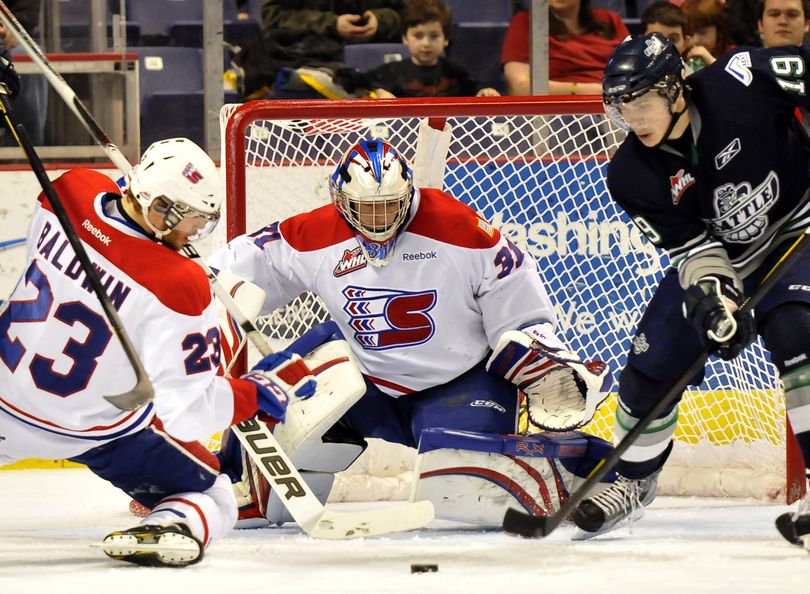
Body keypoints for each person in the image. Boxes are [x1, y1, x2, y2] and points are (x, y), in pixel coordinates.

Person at [208, 138, 616, 527]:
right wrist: (197, 286)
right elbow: (236, 267)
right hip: (364, 382)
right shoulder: (313, 233)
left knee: (465, 487)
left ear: (407, 197)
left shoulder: (459, 227)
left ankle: (581, 466)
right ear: (340, 202)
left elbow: (516, 299)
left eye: (389, 207)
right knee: (275, 392)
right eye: (365, 209)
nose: (378, 220)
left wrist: (538, 348)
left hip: (459, 382)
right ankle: (226, 481)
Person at [0, 130, 316, 564]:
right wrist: (256, 392)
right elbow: (185, 413)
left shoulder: (70, 192)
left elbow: (106, 212)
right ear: (159, 207)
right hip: (90, 430)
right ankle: (172, 525)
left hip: (5, 399)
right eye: (190, 218)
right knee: (215, 490)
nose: (197, 232)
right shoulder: (179, 285)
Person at [571, 33, 810, 551]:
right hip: (731, 257)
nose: (632, 118)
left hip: (799, 224)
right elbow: (695, 250)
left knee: (797, 328)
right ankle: (635, 480)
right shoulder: (630, 173)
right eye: (621, 106)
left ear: (675, 88)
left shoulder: (742, 77)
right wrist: (716, 300)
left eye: (641, 102)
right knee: (649, 366)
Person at [240, 0, 405, 99]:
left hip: (376, 59)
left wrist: (380, 20)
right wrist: (331, 24)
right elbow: (273, 15)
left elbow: (408, 13)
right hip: (305, 56)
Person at [366, 0, 500, 98]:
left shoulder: (454, 71)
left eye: (434, 36)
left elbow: (476, 87)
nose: (426, 43)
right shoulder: (391, 71)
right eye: (418, 36)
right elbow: (362, 85)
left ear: (446, 38)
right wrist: (378, 92)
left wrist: (485, 92)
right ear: (405, 38)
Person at [500, 0, 629, 96]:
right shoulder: (525, 22)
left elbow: (637, 69)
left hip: (620, 102)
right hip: (563, 114)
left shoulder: (610, 20)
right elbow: (518, 87)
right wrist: (579, 90)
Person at [0, 0, 46, 147]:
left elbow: (26, 8)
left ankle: (23, 149)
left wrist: (15, 27)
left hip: (5, 41)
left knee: (27, 55)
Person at [681, 0, 734, 69]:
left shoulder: (733, 55)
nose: (695, 40)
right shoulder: (683, 54)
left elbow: (733, 78)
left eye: (702, 32)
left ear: (719, 31)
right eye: (689, 32)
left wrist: (710, 60)